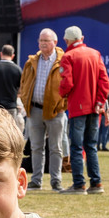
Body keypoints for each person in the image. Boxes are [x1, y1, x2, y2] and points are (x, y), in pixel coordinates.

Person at [57, 27, 109, 195]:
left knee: (76, 146)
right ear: (82, 37)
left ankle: (79, 184)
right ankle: (96, 183)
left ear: (67, 41)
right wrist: (100, 101)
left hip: (78, 107)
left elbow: (68, 83)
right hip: (95, 107)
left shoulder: (68, 56)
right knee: (91, 146)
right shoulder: (95, 54)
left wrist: (62, 93)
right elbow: (104, 81)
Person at [19, 29, 66, 191]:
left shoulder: (63, 62)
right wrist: (26, 101)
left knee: (55, 147)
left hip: (55, 111)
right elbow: (24, 83)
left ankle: (56, 181)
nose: (43, 43)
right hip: (35, 110)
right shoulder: (31, 62)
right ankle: (36, 180)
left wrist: (62, 105)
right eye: (40, 40)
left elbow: (69, 85)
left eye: (46, 40)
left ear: (55, 42)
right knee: (36, 147)